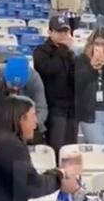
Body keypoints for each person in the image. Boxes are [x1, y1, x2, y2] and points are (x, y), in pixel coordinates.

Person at [0, 54, 48, 139]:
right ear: (5, 76)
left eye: (19, 86)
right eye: (12, 85)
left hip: (22, 117)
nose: (15, 88)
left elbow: (42, 108)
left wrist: (33, 124)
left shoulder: (34, 79)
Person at [33, 16, 78, 162]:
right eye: (59, 32)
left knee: (71, 150)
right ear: (50, 32)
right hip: (53, 106)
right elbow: (49, 70)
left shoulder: (73, 54)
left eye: (66, 31)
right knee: (56, 148)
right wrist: (64, 50)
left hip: (72, 107)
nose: (63, 35)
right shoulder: (40, 51)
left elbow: (77, 77)